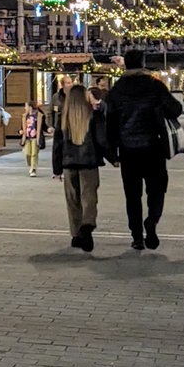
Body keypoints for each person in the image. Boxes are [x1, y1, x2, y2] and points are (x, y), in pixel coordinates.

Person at [105, 50, 183, 250]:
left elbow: (111, 123)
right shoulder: (155, 85)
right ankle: (153, 220)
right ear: (143, 63)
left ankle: (137, 236)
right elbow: (175, 109)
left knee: (132, 195)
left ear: (126, 65)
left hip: (128, 150)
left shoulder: (117, 89)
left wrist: (112, 153)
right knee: (157, 189)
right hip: (153, 147)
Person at [52, 86, 114, 252]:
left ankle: (76, 235)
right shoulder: (94, 115)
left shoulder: (62, 119)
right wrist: (113, 158)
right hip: (89, 164)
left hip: (68, 165)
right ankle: (87, 226)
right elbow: (102, 141)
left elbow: (57, 145)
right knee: (89, 198)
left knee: (72, 200)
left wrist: (56, 169)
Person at [19, 101, 47, 177]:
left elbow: (43, 126)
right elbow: (21, 127)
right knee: (28, 154)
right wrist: (20, 131)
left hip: (36, 138)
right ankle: (30, 165)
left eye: (26, 106)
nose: (25, 108)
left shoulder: (39, 116)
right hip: (27, 138)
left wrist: (48, 129)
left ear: (30, 107)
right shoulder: (24, 116)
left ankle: (33, 169)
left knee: (34, 154)